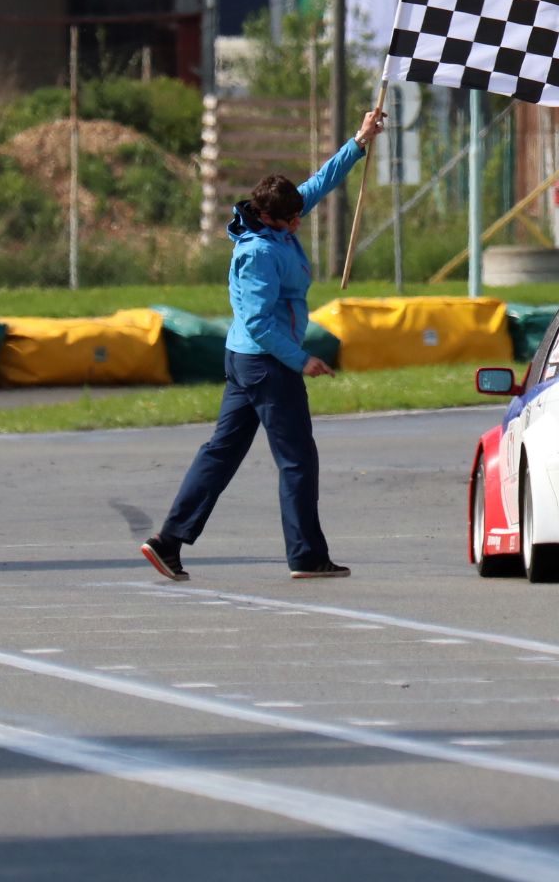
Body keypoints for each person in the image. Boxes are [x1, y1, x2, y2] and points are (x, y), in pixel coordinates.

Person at [140, 108, 386, 582]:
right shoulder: (258, 253)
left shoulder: (279, 219)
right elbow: (257, 322)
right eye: (290, 220)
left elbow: (320, 182)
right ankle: (307, 556)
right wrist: (301, 359)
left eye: (298, 216)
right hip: (266, 363)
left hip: (247, 363)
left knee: (221, 452)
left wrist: (359, 141)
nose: (298, 224)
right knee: (297, 460)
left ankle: (167, 542)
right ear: (268, 216)